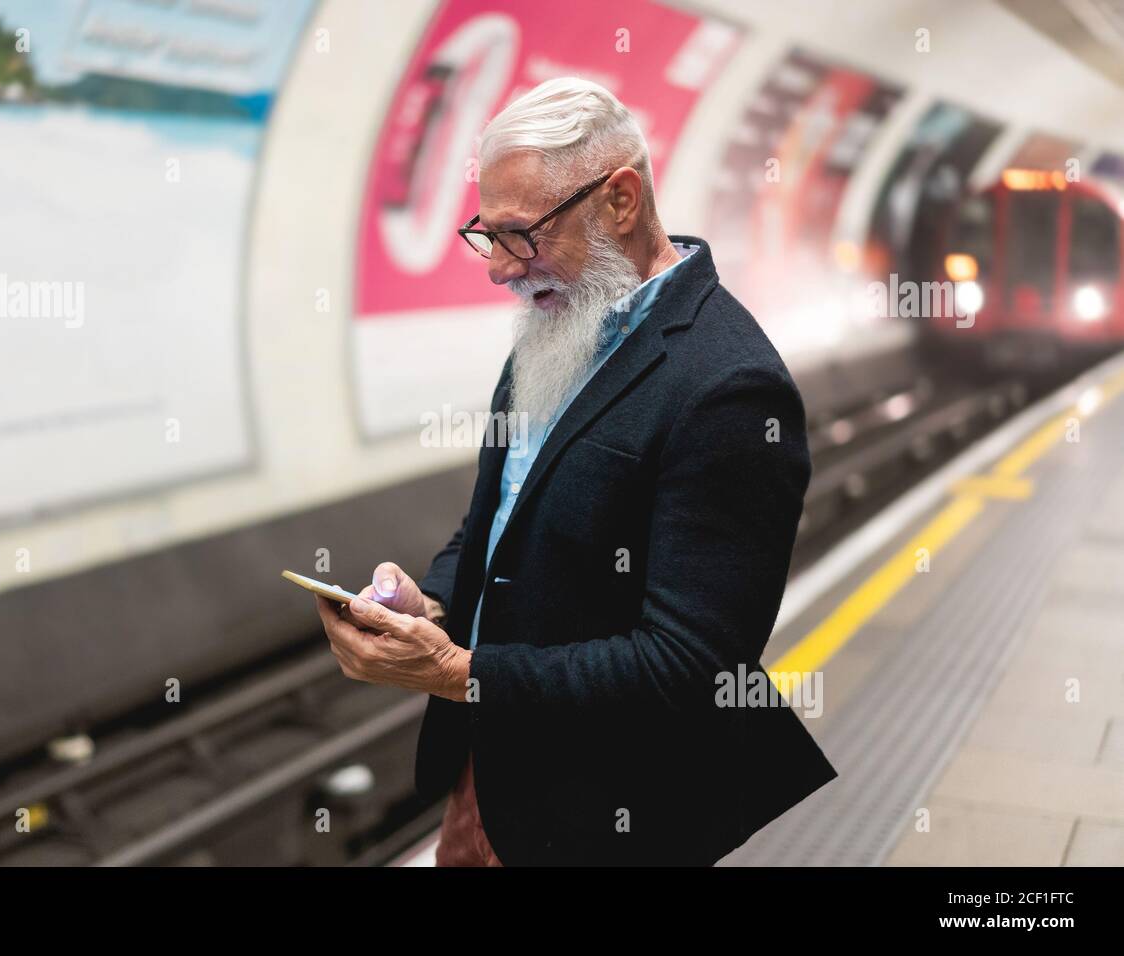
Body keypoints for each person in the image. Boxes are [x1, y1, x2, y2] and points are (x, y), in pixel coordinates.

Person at [315, 77, 836, 866]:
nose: (498, 268)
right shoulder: (557, 323)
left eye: (520, 235)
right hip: (487, 782)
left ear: (620, 201)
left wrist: (463, 674)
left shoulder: (728, 386)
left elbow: (690, 665)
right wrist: (431, 600)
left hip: (611, 817)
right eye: (486, 235)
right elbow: (496, 520)